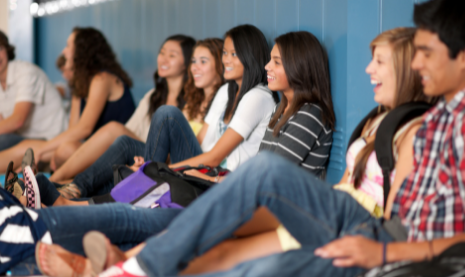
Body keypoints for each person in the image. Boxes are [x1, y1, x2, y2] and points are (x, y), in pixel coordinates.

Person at [18, 0, 465, 277]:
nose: (419, 65)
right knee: (232, 206)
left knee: (256, 268)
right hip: (371, 224)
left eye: (427, 54)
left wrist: (385, 253)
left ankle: (115, 264)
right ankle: (116, 259)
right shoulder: (437, 118)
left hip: (388, 237)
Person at [0, 19, 180, 277]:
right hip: (2, 229)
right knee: (131, 220)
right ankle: (197, 220)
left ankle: (101, 259)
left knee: (121, 236)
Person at [35, 24, 288, 205]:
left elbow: (214, 158)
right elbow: (200, 145)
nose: (227, 59)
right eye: (225, 53)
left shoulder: (257, 96)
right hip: (201, 166)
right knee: (126, 142)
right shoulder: (226, 91)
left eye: (234, 54)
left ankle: (82, 195)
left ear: (250, 56)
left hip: (218, 181)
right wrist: (154, 166)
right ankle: (73, 188)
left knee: (167, 115)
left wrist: (157, 168)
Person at [0, 27, 136, 173]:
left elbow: (84, 128)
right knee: (30, 147)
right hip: (93, 146)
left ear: (82, 50)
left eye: (68, 46)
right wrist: (46, 150)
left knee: (60, 149)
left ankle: (52, 184)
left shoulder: (102, 79)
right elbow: (73, 130)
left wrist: (44, 150)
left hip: (118, 150)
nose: (64, 51)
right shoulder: (79, 85)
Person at [47, 35, 196, 182]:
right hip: (139, 154)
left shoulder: (193, 100)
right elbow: (129, 130)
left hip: (166, 160)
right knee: (70, 148)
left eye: (172, 55)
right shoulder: (152, 96)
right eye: (162, 53)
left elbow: (181, 146)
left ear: (186, 63)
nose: (163, 59)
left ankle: (53, 181)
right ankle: (63, 183)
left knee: (113, 129)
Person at [0, 29, 65, 155]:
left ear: (7, 50)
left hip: (49, 137)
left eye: (0, 48)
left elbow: (18, 120)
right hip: (26, 138)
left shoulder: (25, 72)